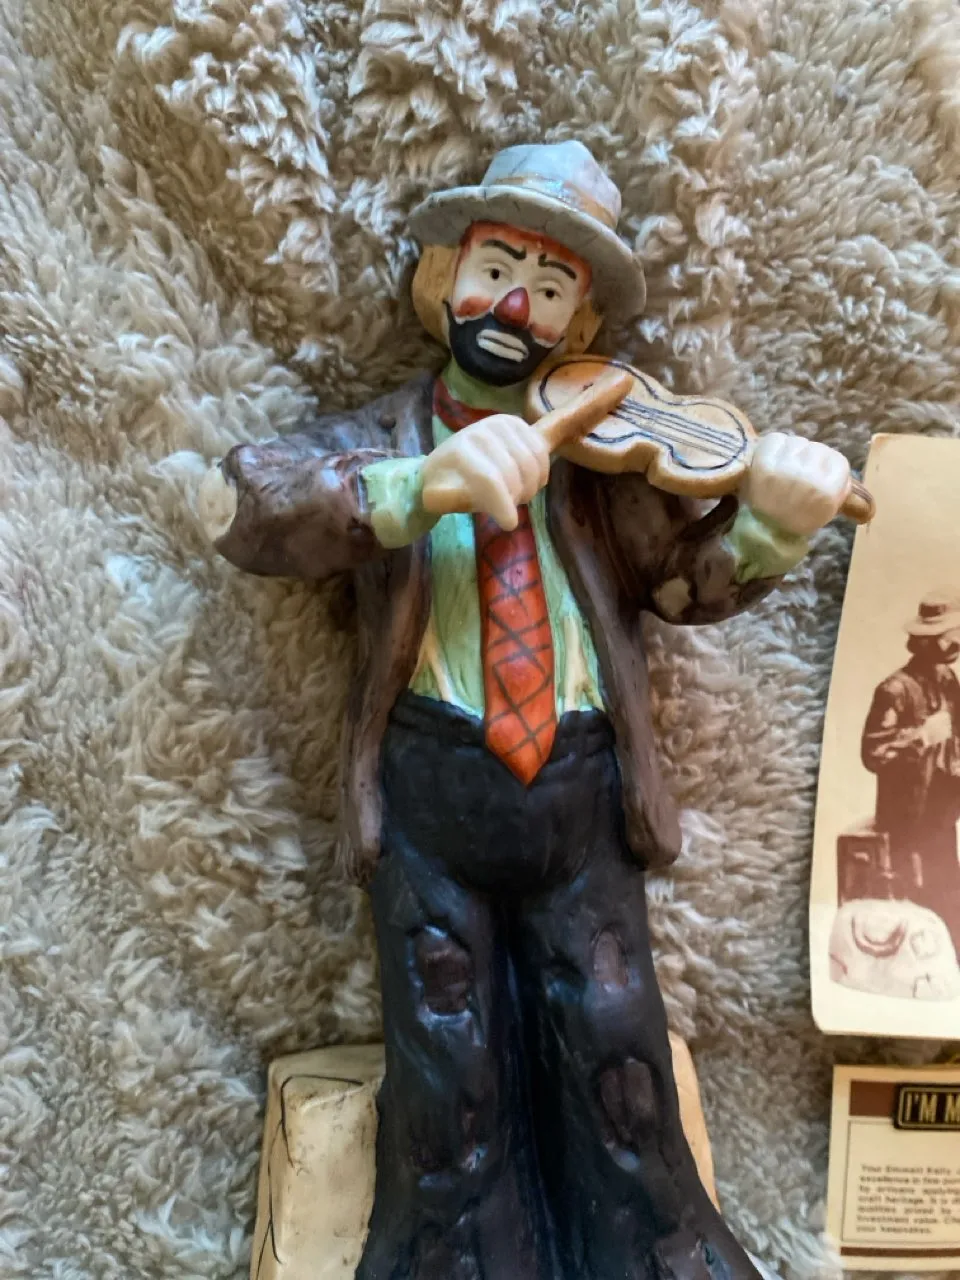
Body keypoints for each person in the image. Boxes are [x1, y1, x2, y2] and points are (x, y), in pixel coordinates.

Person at [198, 141, 851, 1280]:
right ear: (443, 276)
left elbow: (679, 588)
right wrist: (416, 487)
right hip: (431, 791)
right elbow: (244, 503)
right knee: (449, 1068)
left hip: (583, 790)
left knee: (615, 1044)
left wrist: (770, 526)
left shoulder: (602, 466)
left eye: (549, 289)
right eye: (496, 270)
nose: (514, 307)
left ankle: (655, 1255)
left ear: (578, 324)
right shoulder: (389, 435)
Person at [861, 589, 960, 956]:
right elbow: (873, 753)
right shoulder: (894, 690)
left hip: (941, 816)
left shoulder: (948, 680)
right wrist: (921, 736)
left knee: (949, 896)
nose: (957, 642)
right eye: (951, 635)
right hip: (905, 823)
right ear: (928, 639)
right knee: (915, 909)